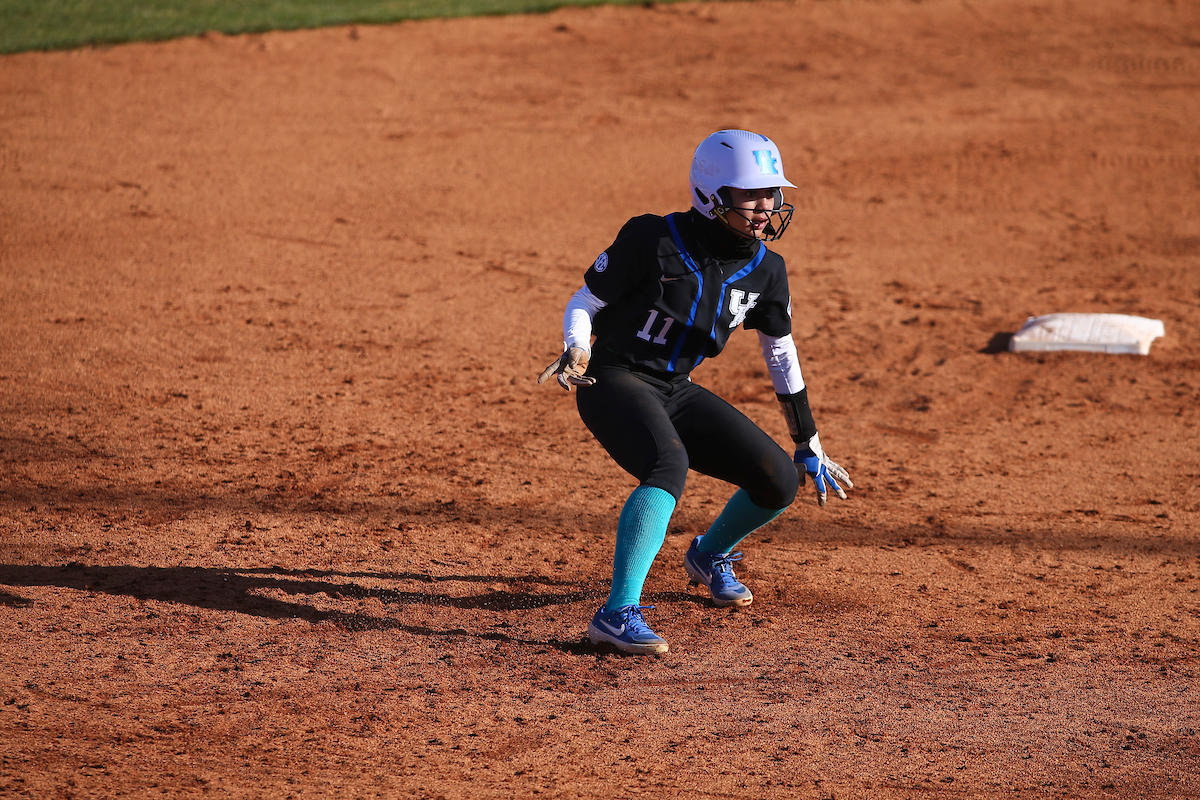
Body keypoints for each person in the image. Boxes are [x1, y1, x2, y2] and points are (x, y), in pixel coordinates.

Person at [537, 129, 852, 655]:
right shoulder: (652, 239)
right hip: (612, 378)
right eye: (751, 195)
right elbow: (585, 300)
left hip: (675, 388)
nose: (765, 206)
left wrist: (807, 440)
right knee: (668, 466)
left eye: (770, 194)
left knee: (777, 479)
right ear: (711, 196)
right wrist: (577, 347)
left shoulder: (767, 271)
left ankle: (709, 554)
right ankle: (615, 615)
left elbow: (780, 352)